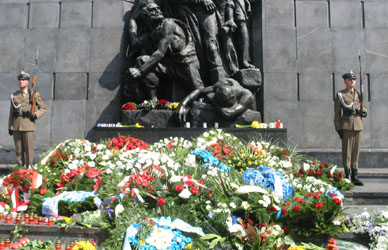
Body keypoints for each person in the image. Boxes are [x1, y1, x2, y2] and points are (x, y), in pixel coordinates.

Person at [126, 2, 204, 102]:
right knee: (142, 60)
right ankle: (153, 101)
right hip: (169, 66)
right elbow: (136, 43)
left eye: (158, 8)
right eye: (152, 10)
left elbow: (160, 53)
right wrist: (132, 23)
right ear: (145, 17)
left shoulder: (168, 24)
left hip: (185, 63)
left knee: (199, 91)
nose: (157, 11)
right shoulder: (150, 33)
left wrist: (140, 71)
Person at [334, 71, 367, 186]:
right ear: (345, 81)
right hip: (347, 126)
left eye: (354, 79)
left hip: (358, 125)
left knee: (356, 151)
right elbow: (337, 113)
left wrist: (363, 112)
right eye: (349, 79)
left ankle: (355, 175)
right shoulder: (341, 95)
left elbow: (364, 107)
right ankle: (347, 174)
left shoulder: (358, 94)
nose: (352, 81)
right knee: (347, 152)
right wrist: (338, 128)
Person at [8, 71, 46, 167]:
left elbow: (43, 108)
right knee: (19, 151)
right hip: (17, 125)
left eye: (23, 80)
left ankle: (29, 168)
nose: (21, 81)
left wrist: (36, 115)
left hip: (28, 125)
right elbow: (12, 112)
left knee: (29, 150)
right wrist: (10, 126)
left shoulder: (33, 94)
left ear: (28, 82)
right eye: (20, 80)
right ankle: (20, 169)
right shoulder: (15, 95)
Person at [178, 77, 254, 123]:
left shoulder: (247, 96)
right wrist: (182, 105)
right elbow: (199, 91)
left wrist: (213, 101)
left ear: (232, 97)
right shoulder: (223, 84)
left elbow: (228, 114)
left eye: (222, 103)